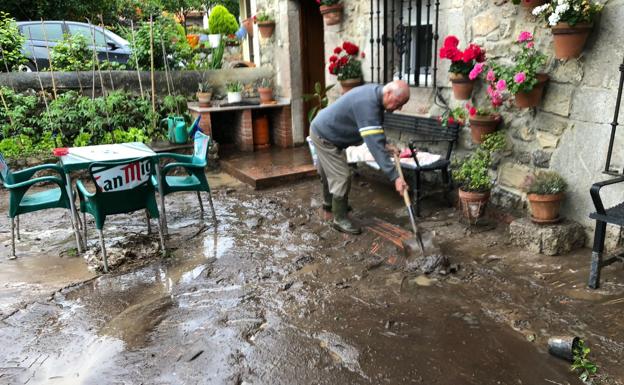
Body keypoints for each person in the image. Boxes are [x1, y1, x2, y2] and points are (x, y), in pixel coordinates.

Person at [310, 80, 410, 235]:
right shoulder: (368, 104)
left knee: (329, 172)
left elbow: (375, 131)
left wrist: (385, 145)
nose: (399, 107)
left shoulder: (375, 96)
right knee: (341, 176)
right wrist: (395, 177)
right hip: (324, 135)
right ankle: (340, 218)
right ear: (389, 93)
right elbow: (374, 146)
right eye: (398, 102)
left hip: (326, 131)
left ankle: (330, 204)